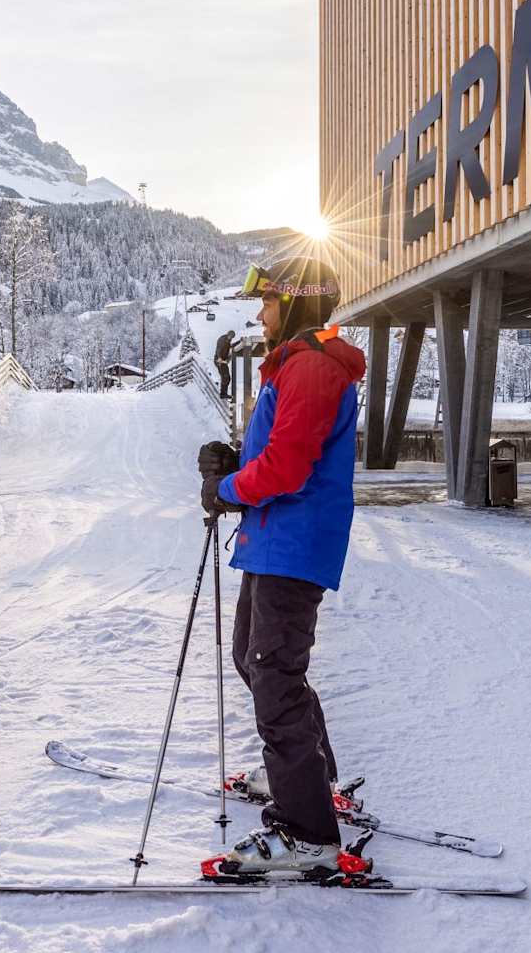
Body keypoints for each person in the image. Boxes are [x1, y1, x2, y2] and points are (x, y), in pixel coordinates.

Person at [196, 255, 366, 876]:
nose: (260, 313)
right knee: (255, 659)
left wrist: (229, 488)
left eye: (267, 301)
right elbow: (280, 449)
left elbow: (290, 469)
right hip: (275, 540)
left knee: (274, 677)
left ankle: (307, 830)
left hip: (292, 543)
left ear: (293, 303)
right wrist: (233, 458)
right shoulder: (297, 367)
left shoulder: (313, 368)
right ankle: (309, 781)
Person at [214, 329, 235, 402]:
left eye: (232, 337)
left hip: (223, 361)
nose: (231, 338)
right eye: (230, 336)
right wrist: (219, 358)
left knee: (228, 378)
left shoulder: (228, 342)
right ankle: (223, 394)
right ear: (228, 334)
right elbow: (219, 349)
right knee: (225, 376)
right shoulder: (222, 339)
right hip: (219, 360)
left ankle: (224, 393)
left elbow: (230, 347)